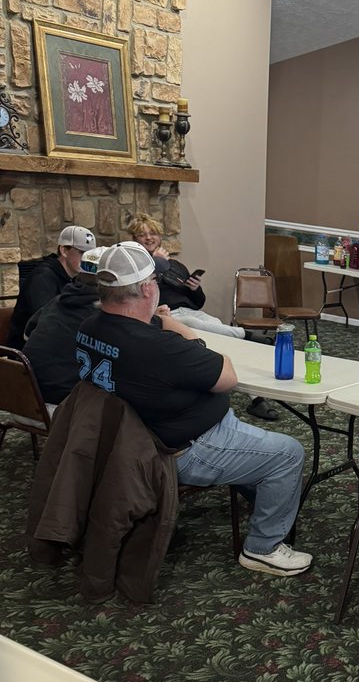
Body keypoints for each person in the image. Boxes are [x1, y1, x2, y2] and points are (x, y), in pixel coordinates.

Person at [75, 241, 312, 577]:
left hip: (126, 444)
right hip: (181, 450)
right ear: (146, 289)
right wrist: (186, 333)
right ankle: (263, 548)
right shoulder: (160, 349)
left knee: (258, 441)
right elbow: (227, 376)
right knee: (289, 451)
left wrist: (161, 322)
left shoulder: (88, 329)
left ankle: (259, 493)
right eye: (155, 282)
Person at [128, 213, 280, 421]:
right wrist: (156, 263)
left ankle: (257, 399)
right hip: (165, 316)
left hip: (191, 312)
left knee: (221, 336)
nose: (149, 238)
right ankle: (246, 334)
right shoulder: (135, 269)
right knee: (192, 323)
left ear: (160, 236)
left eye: (152, 233)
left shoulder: (176, 265)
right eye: (142, 235)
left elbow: (199, 303)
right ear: (134, 241)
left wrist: (194, 289)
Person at [22, 246, 104, 408]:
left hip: (23, 402)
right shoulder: (103, 315)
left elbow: (27, 334)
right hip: (63, 411)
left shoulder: (58, 301)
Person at [8, 225, 96, 349]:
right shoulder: (42, 277)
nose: (87, 259)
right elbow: (44, 323)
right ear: (64, 250)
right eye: (82, 253)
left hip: (56, 343)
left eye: (91, 255)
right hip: (27, 351)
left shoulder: (75, 278)